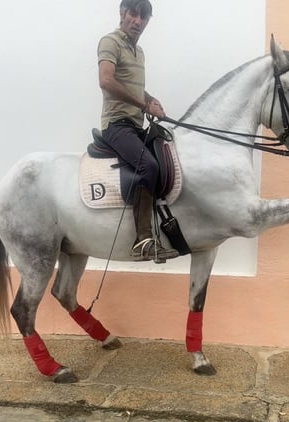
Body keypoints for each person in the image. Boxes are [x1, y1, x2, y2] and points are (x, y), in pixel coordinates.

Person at [97, 0, 178, 262]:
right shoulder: (110, 42)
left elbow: (133, 88)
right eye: (133, 14)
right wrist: (144, 104)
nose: (138, 22)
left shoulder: (139, 51)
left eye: (143, 17)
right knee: (150, 167)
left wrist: (151, 101)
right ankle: (142, 241)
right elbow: (106, 81)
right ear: (122, 14)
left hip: (135, 125)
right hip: (116, 125)